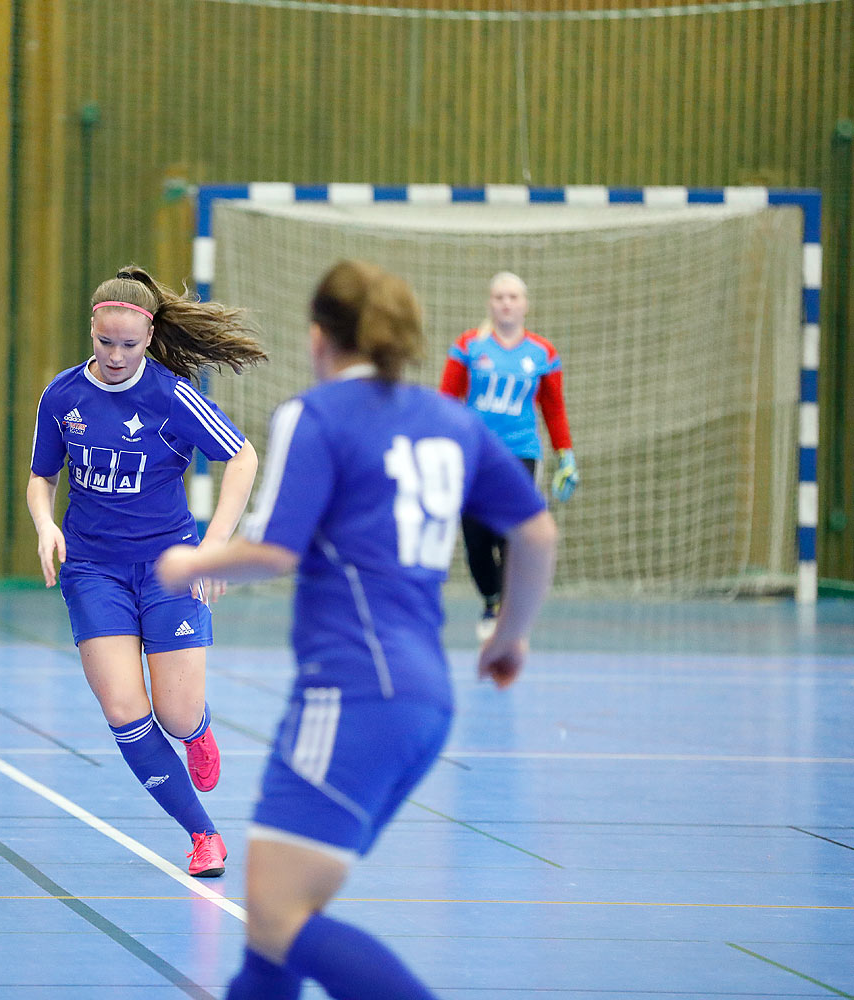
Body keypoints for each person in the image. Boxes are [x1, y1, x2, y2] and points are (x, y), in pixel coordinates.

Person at [156, 259, 557, 998]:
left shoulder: (318, 416)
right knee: (269, 949)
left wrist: (190, 564)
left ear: (318, 337)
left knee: (276, 918)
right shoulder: (451, 421)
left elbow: (275, 550)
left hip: (352, 696)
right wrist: (511, 635)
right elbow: (535, 533)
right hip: (425, 700)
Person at [27, 265, 265, 878]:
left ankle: (198, 730)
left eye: (128, 345)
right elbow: (41, 477)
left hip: (170, 568)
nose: (113, 355)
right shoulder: (61, 397)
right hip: (92, 570)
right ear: (92, 330)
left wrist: (215, 544)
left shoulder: (170, 395)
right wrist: (44, 523)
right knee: (126, 711)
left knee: (177, 713)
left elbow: (242, 457)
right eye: (104, 342)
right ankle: (202, 834)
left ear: (149, 335)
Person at [439, 271, 575, 641]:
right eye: (500, 297)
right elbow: (445, 402)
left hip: (520, 454)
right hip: (475, 454)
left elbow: (554, 408)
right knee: (477, 539)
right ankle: (492, 598)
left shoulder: (542, 353)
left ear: (525, 304)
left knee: (513, 535)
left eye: (513, 297)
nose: (506, 303)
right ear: (490, 303)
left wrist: (566, 455)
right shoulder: (469, 346)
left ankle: (508, 614)